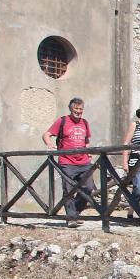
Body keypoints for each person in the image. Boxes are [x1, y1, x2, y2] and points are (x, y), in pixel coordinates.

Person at [43, 97, 94, 227]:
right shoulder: (62, 121)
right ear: (71, 109)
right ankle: (71, 218)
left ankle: (74, 213)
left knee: (88, 188)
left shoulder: (84, 122)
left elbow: (86, 140)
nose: (78, 111)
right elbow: (46, 134)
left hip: (84, 162)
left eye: (81, 109)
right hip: (67, 162)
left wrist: (88, 151)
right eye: (76, 109)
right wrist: (49, 144)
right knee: (69, 190)